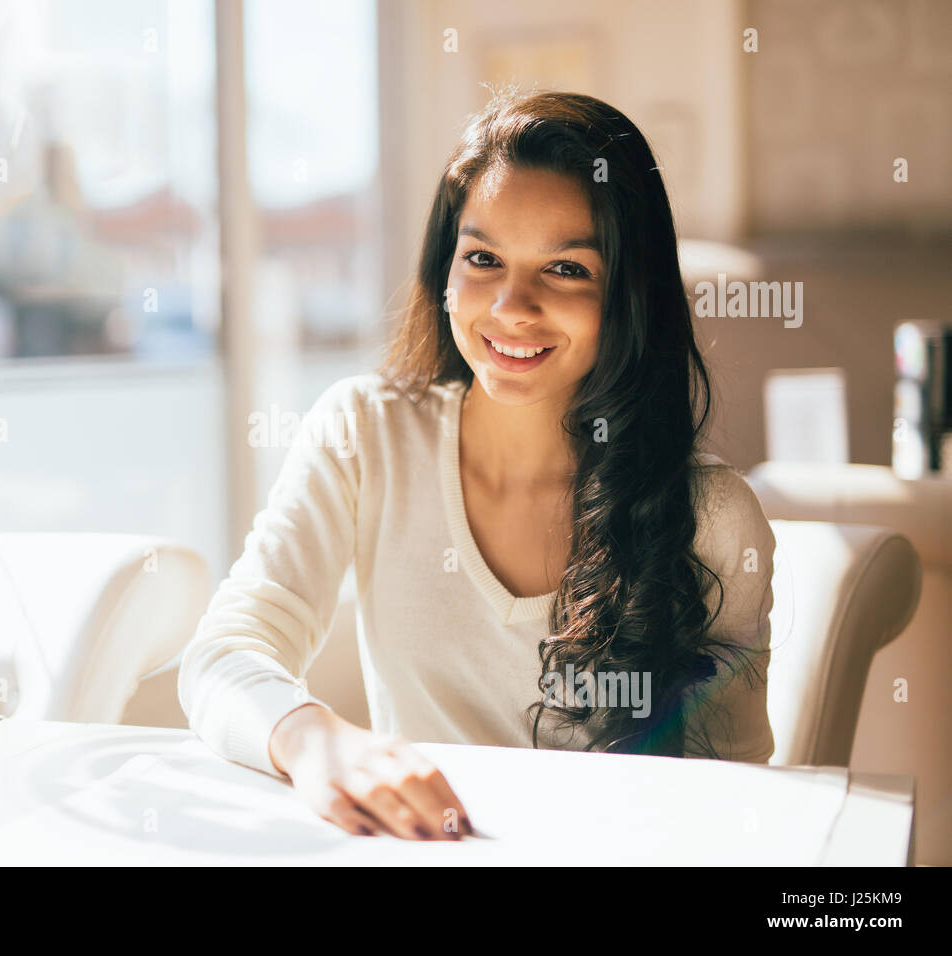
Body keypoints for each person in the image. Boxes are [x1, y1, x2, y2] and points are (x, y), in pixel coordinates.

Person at [178, 87, 777, 842]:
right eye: (484, 259)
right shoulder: (365, 434)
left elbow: (739, 803)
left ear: (631, 295)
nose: (511, 306)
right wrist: (315, 740)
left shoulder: (715, 516)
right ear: (445, 268)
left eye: (565, 269)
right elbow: (223, 654)